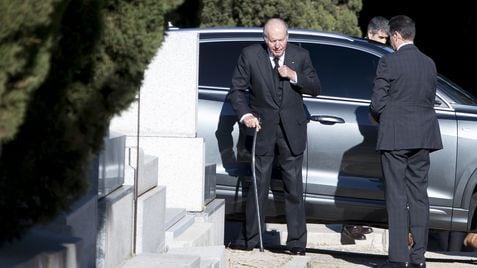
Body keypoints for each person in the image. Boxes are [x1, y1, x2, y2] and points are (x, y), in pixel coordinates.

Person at [227, 18, 320, 255]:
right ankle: (250, 238)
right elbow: (236, 90)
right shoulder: (249, 55)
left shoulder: (300, 55)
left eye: (281, 40)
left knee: (293, 188)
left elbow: (315, 87)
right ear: (265, 39)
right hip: (261, 129)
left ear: (287, 37)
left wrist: (293, 75)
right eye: (272, 41)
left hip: (292, 131)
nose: (277, 45)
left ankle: (297, 243)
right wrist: (246, 113)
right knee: (258, 185)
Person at [370, 15, 443, 267]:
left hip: (394, 137)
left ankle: (398, 258)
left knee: (396, 197)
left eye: (391, 36)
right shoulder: (429, 63)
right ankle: (418, 257)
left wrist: (382, 115)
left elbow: (377, 103)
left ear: (397, 35)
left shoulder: (388, 62)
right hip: (423, 136)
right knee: (419, 196)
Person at [340, 16, 389, 242]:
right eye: (381, 37)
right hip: (358, 118)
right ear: (370, 34)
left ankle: (355, 222)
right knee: (359, 170)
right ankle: (351, 222)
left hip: (371, 118)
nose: (384, 42)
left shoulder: (372, 56)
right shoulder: (363, 56)